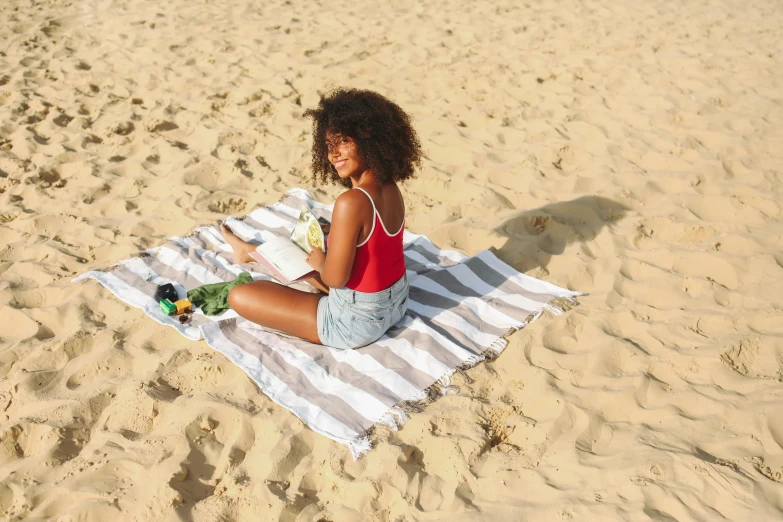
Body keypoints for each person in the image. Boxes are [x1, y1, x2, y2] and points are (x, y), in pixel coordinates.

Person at [219, 88, 421, 349]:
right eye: (329, 146)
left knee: (240, 295)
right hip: (397, 302)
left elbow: (335, 280)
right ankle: (249, 251)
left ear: (370, 140)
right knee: (319, 247)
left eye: (344, 141)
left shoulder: (351, 202)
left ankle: (251, 252)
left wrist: (321, 261)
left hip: (355, 323)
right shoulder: (390, 188)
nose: (334, 154)